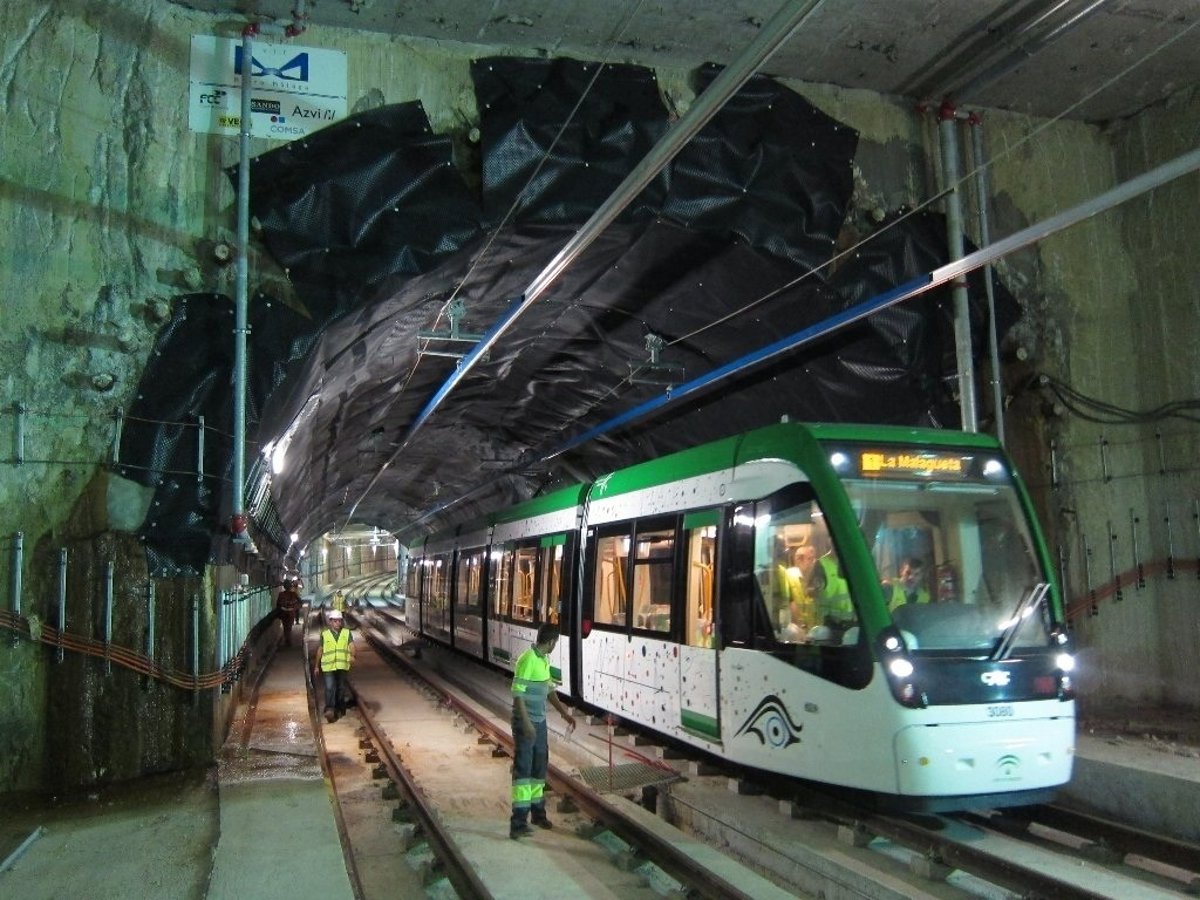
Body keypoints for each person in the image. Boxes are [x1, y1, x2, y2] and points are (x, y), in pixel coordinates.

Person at [509, 624, 576, 840]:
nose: (556, 645)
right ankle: (518, 823)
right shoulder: (527, 659)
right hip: (525, 723)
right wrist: (526, 724)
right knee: (523, 770)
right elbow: (518, 694)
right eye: (556, 641)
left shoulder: (544, 660)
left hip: (539, 722)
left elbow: (549, 690)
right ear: (551, 641)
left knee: (539, 769)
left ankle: (538, 815)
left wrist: (564, 714)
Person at [313, 609, 355, 723]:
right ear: (330, 622)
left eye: (339, 621)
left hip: (342, 665)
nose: (338, 623)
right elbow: (320, 650)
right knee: (330, 687)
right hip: (328, 666)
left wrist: (352, 655)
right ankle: (330, 708)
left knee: (340, 687)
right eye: (335, 621)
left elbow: (352, 646)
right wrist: (316, 666)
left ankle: (340, 706)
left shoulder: (346, 633)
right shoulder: (325, 634)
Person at [275, 578, 302, 647]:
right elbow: (300, 602)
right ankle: (288, 640)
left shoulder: (281, 594)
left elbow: (278, 605)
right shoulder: (294, 594)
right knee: (289, 626)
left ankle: (287, 639)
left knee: (285, 626)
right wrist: (295, 608)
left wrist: (281, 610)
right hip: (291, 612)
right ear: (290, 586)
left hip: (284, 612)